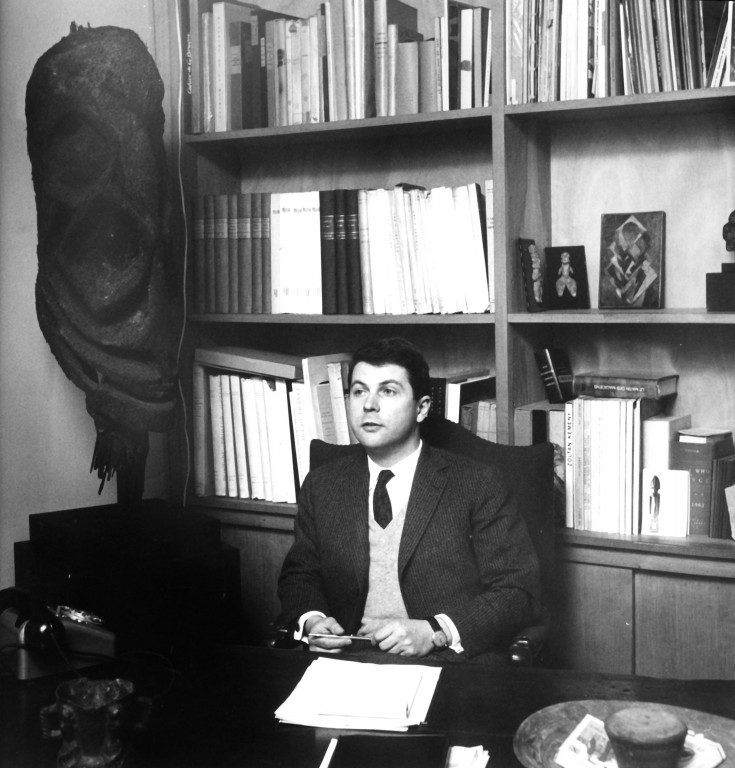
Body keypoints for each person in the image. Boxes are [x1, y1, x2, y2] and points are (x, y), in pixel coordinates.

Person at [277, 338, 541, 661]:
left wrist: (435, 631)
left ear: (422, 408)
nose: (369, 405)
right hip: (344, 664)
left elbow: (517, 592)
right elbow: (299, 574)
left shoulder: (478, 483)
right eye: (359, 391)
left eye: (387, 391)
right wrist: (312, 620)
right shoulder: (323, 484)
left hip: (444, 665)